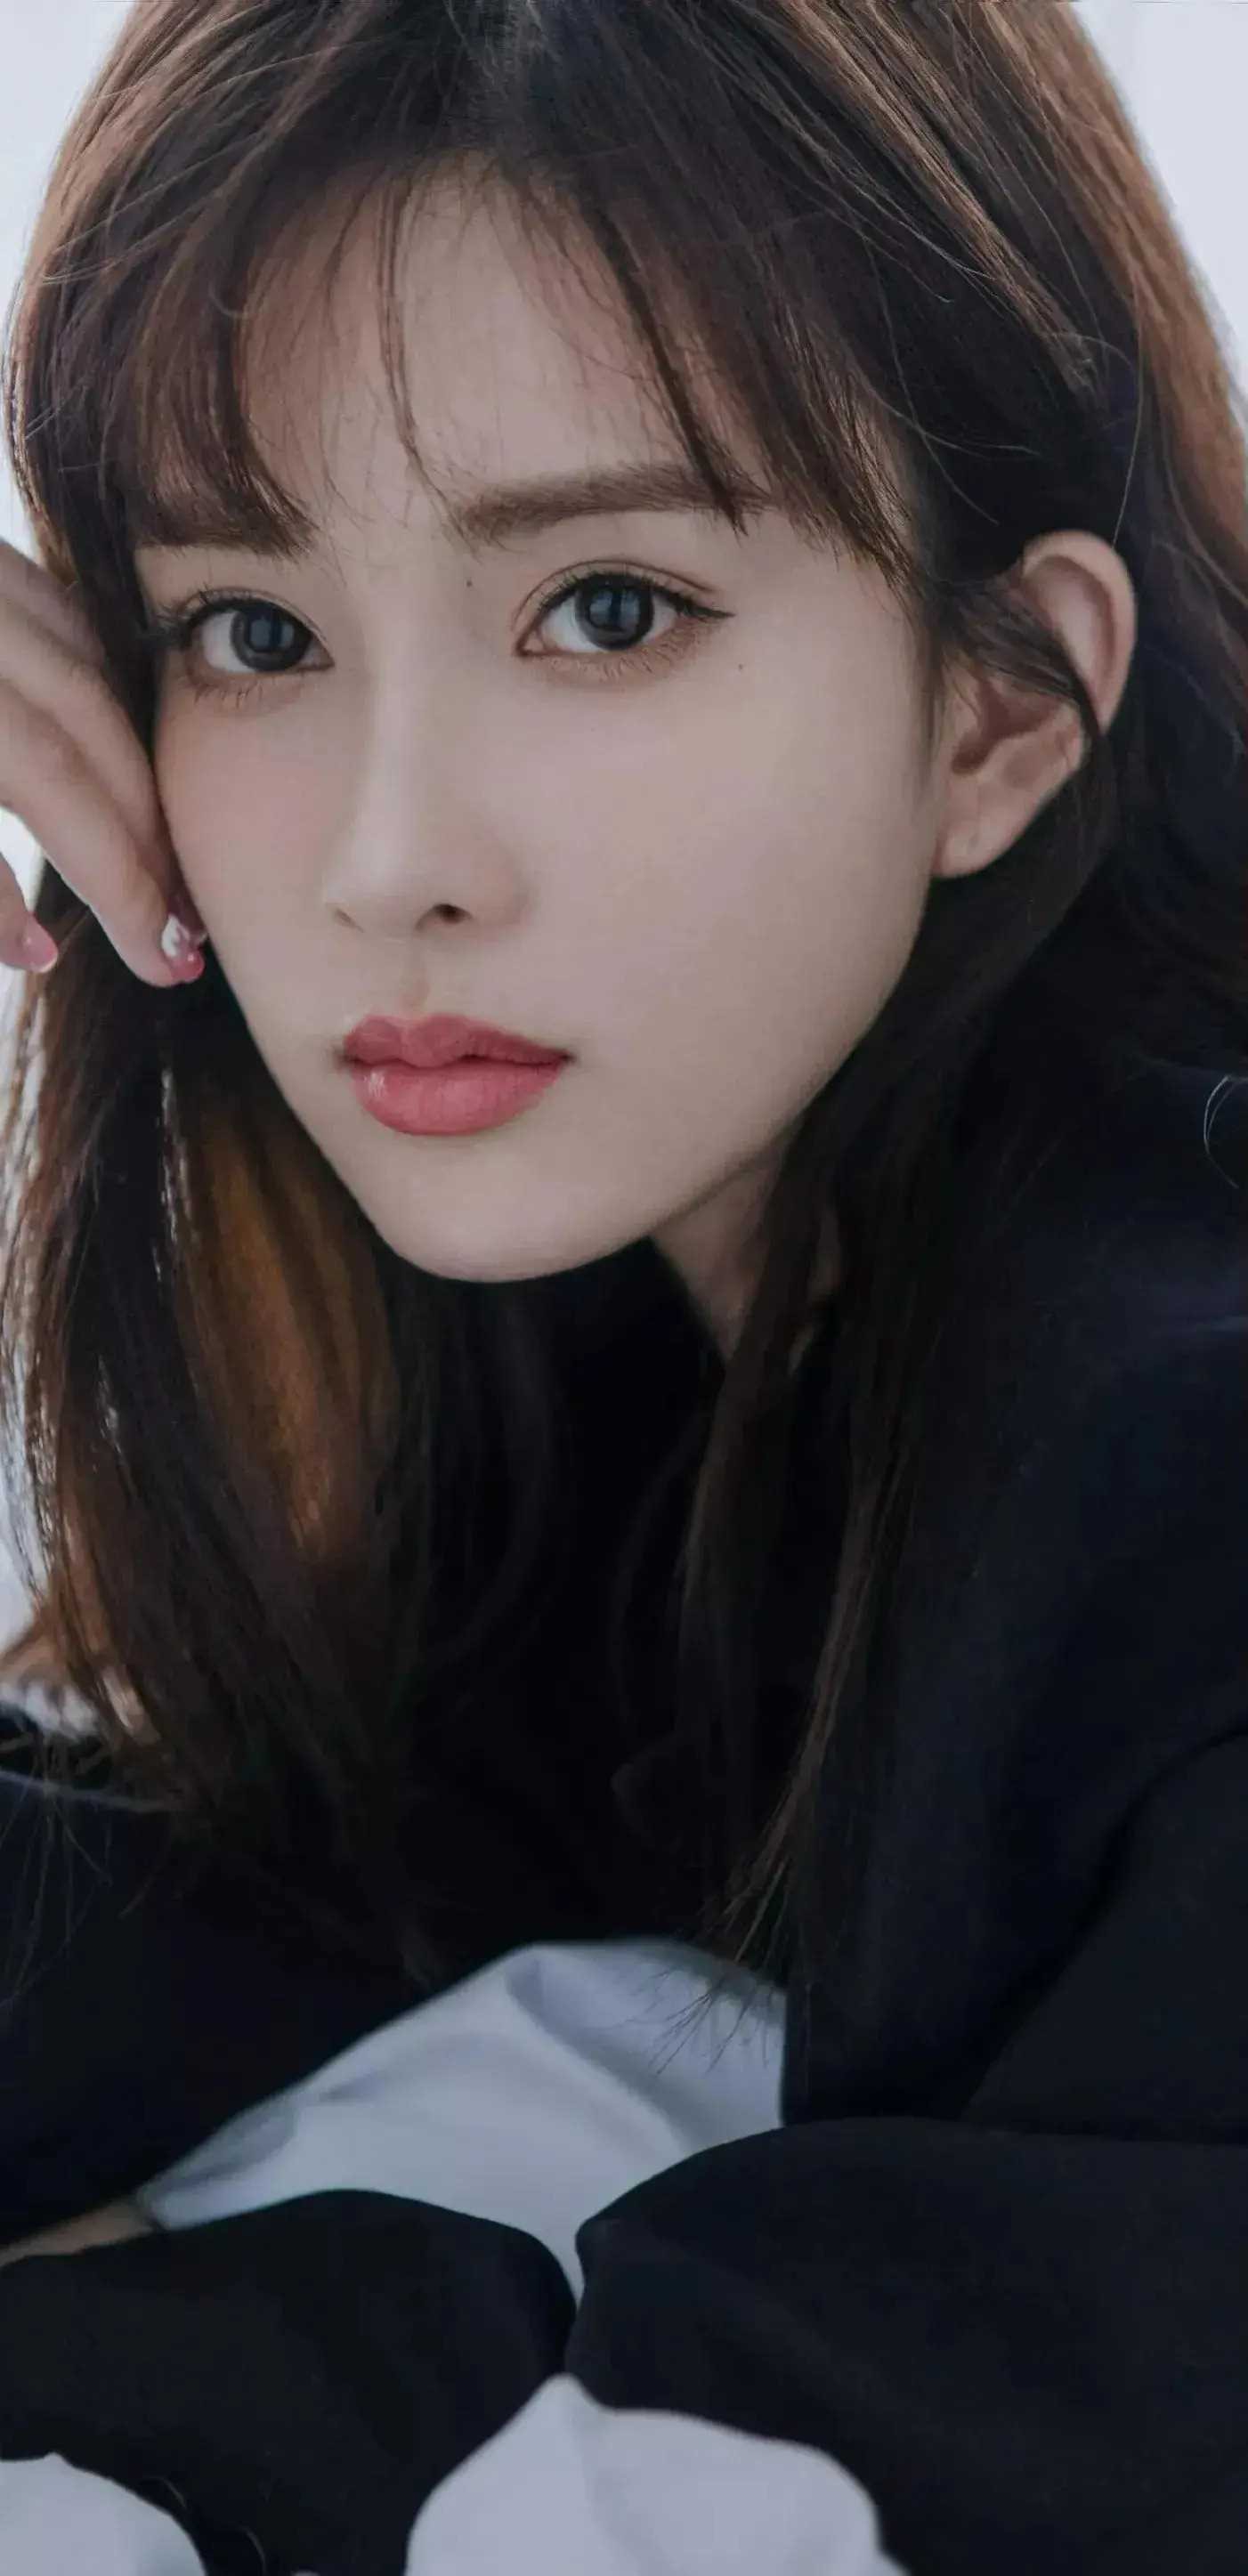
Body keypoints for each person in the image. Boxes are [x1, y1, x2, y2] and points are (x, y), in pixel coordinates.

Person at [0, 0, 1244, 2567]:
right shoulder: (655, 1346)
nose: (389, 860)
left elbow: (829, 2476)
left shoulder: (1181, 1450)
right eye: (251, 632)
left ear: (1001, 707)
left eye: (602, 606)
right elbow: (234, 1907)